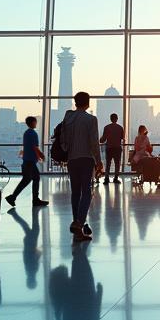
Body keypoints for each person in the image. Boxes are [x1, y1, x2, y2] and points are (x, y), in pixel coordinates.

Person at [58, 91, 102, 241]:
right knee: (87, 192)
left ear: (75, 102)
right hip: (86, 159)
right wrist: (99, 160)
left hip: (72, 159)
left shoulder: (68, 119)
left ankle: (78, 229)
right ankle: (79, 223)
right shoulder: (91, 119)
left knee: (75, 192)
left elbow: (63, 140)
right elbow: (94, 143)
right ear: (88, 102)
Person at [5, 116, 48, 208]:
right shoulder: (33, 133)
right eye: (35, 122)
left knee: (27, 179)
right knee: (34, 178)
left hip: (27, 160)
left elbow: (28, 147)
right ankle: (34, 200)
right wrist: (41, 155)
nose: (36, 124)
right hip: (30, 161)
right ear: (32, 123)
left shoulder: (26, 133)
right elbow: (35, 147)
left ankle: (13, 197)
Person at [100, 112, 126, 185]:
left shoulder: (107, 127)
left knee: (108, 164)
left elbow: (103, 139)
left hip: (109, 148)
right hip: (117, 148)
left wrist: (100, 140)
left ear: (110, 119)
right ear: (117, 119)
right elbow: (122, 138)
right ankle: (116, 178)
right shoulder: (120, 128)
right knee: (117, 164)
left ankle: (107, 178)